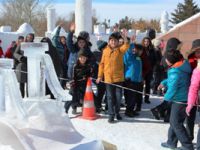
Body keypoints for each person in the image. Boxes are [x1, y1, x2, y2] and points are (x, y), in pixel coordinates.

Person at [160, 49, 193, 150]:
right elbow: (173, 80)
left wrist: (165, 101)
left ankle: (187, 145)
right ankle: (171, 142)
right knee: (174, 121)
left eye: (166, 59)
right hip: (182, 99)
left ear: (170, 60)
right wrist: (164, 82)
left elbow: (172, 89)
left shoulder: (175, 71)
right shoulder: (181, 66)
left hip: (179, 101)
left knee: (176, 123)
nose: (165, 61)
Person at [96, 31, 130, 123]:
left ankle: (117, 112)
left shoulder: (120, 50)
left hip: (118, 78)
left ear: (117, 42)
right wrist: (99, 76)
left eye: (115, 41)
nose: (113, 42)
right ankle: (111, 115)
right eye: (111, 41)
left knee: (118, 97)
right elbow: (101, 64)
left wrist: (124, 37)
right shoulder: (105, 51)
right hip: (108, 79)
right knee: (110, 97)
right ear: (109, 41)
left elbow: (126, 45)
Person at [64, 49, 93, 114]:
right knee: (71, 95)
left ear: (86, 58)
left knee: (86, 97)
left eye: (84, 58)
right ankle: (66, 110)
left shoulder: (88, 66)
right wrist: (73, 83)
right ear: (78, 58)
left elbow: (90, 75)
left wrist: (87, 77)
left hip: (84, 85)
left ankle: (85, 108)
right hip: (75, 84)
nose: (83, 59)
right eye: (81, 57)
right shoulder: (75, 66)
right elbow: (71, 76)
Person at [186, 47, 200, 150]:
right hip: (193, 93)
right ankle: (189, 136)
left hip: (195, 93)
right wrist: (190, 102)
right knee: (190, 116)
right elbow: (193, 87)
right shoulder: (190, 62)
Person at [124, 43, 143, 117]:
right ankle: (128, 111)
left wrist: (141, 79)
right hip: (130, 80)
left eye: (142, 50)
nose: (141, 52)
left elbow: (139, 70)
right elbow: (128, 52)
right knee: (131, 97)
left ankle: (131, 110)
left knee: (134, 97)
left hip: (137, 81)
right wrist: (131, 44)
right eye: (140, 50)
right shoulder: (131, 57)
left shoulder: (138, 58)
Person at [13, 33, 34, 98]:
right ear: (26, 37)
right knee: (21, 83)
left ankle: (28, 98)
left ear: (33, 38)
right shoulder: (21, 45)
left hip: (31, 65)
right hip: (22, 66)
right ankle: (21, 98)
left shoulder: (34, 45)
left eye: (31, 38)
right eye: (28, 37)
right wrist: (21, 57)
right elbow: (15, 53)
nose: (29, 39)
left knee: (29, 83)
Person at [141, 37, 156, 104]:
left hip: (149, 70)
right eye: (145, 41)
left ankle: (147, 98)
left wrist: (152, 67)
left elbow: (155, 60)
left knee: (148, 85)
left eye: (147, 41)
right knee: (140, 85)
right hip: (142, 70)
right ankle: (139, 98)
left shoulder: (152, 50)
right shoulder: (141, 49)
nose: (146, 43)